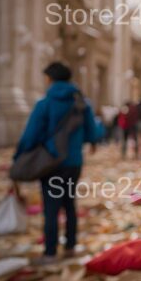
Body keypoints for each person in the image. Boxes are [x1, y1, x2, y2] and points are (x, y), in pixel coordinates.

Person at [14, 62, 97, 264]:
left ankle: (50, 252)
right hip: (73, 162)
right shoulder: (81, 103)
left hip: (51, 162)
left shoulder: (45, 104)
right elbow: (91, 131)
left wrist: (19, 157)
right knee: (69, 204)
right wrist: (88, 142)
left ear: (50, 79)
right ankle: (70, 247)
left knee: (51, 207)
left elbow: (31, 134)